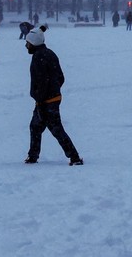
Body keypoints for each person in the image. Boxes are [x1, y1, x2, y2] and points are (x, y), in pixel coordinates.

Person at [24, 26, 82, 166]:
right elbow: (60, 77)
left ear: (34, 43)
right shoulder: (50, 53)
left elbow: (42, 82)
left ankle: (74, 157)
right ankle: (33, 155)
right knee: (36, 126)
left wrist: (41, 99)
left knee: (55, 129)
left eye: (28, 43)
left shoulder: (39, 57)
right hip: (52, 98)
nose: (26, 46)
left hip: (45, 101)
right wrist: (54, 91)